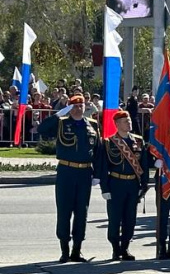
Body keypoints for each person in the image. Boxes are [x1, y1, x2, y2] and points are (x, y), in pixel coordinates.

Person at [37, 95, 100, 262]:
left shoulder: (92, 125)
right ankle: (64, 249)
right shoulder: (61, 123)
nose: (78, 109)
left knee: (82, 212)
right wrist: (58, 114)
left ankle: (77, 250)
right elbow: (42, 129)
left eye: (81, 106)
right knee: (64, 211)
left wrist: (98, 174)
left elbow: (98, 152)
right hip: (66, 171)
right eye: (75, 106)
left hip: (85, 173)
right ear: (70, 108)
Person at [96, 109, 150, 260]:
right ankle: (115, 248)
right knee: (115, 218)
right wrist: (104, 188)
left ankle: (125, 247)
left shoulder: (138, 141)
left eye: (129, 121)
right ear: (117, 124)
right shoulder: (108, 143)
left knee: (130, 218)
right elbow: (103, 167)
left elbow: (144, 165)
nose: (129, 123)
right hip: (116, 183)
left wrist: (144, 184)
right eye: (125, 121)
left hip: (132, 184)